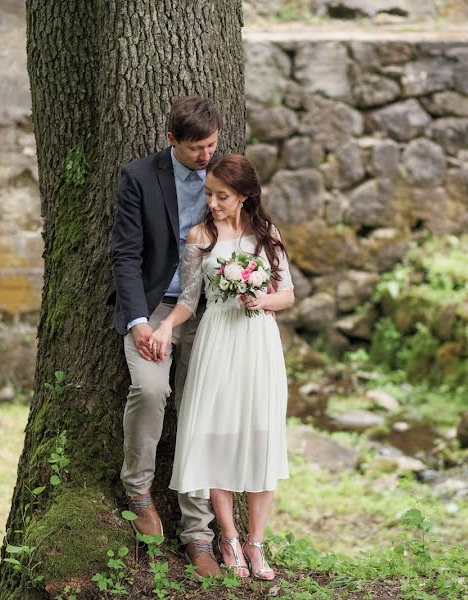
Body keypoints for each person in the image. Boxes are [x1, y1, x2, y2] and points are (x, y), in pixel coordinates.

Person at [148, 154, 295, 581]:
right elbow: (190, 299)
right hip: (217, 338)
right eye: (209, 193)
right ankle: (228, 536)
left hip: (258, 341)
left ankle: (256, 542)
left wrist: (260, 299)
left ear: (245, 196)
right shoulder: (200, 236)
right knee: (218, 433)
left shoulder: (267, 234)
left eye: (222, 195)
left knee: (261, 432)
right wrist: (163, 327)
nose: (212, 202)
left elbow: (286, 294)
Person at [109, 96, 221, 577]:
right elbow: (125, 257)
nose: (206, 156)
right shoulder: (138, 177)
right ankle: (137, 489)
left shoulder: (226, 175)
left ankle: (199, 533)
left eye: (212, 145)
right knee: (152, 389)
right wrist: (139, 324)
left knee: (199, 407)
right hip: (154, 305)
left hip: (209, 309)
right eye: (197, 147)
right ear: (172, 140)